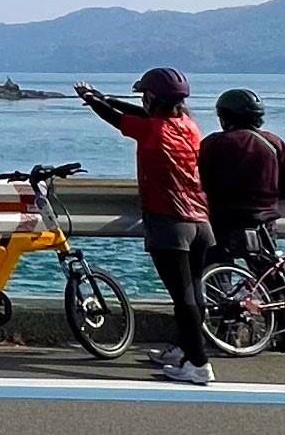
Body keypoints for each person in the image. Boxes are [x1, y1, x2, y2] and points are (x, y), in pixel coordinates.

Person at [74, 68, 214, 384]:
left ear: (151, 98)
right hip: (201, 223)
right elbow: (137, 114)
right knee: (194, 292)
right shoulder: (189, 126)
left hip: (170, 223)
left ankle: (198, 363)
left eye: (144, 95)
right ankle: (182, 351)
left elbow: (116, 118)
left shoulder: (152, 131)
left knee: (184, 299)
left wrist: (92, 99)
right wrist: (104, 97)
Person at [199, 88, 285, 354]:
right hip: (262, 221)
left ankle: (225, 330)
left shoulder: (213, 143)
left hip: (221, 219)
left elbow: (199, 180)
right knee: (270, 274)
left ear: (225, 116)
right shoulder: (274, 143)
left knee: (217, 271)